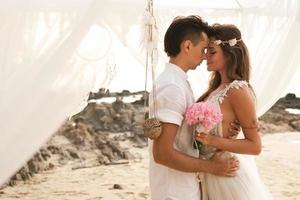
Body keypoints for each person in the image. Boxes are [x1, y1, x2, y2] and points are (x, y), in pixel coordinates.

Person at [148, 16, 240, 200]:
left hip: (180, 187)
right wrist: (214, 168)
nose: (205, 55)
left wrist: (220, 130)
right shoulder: (173, 88)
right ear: (187, 46)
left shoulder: (177, 82)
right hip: (174, 192)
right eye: (203, 49)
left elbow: (183, 138)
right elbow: (162, 153)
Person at [195, 24, 272, 199]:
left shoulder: (239, 90)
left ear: (229, 55)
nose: (206, 55)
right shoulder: (215, 90)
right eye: (206, 50)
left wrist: (213, 140)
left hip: (227, 175)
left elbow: (255, 146)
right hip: (209, 170)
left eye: (212, 52)